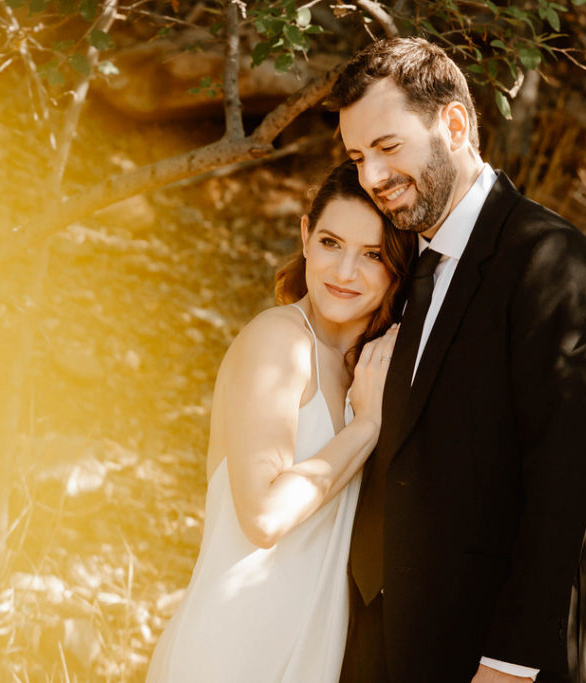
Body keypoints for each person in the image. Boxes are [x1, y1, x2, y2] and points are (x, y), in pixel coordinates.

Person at [327, 38, 586, 683]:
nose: (372, 177)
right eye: (357, 156)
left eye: (388, 147)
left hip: (491, 656)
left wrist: (508, 666)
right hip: (384, 643)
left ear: (453, 124)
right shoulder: (396, 263)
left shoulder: (551, 261)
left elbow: (561, 491)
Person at [146, 161, 415, 683]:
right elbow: (263, 516)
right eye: (332, 243)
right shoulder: (279, 341)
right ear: (305, 237)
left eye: (373, 255)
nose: (343, 272)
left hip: (311, 652)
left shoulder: (367, 369)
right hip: (232, 652)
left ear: (398, 267)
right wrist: (366, 427)